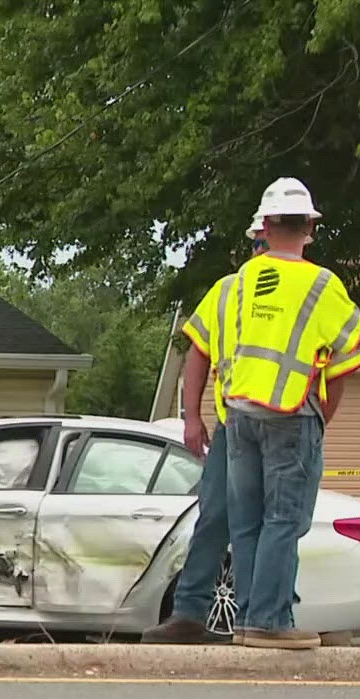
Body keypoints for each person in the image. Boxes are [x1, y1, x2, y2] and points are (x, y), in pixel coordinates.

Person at [220, 177, 360, 649]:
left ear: (262, 227)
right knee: (284, 521)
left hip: (240, 412)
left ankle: (249, 619)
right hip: (292, 414)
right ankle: (270, 622)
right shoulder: (322, 285)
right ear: (309, 227)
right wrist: (323, 413)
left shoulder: (241, 280)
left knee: (247, 523)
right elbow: (348, 355)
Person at [143, 214, 269, 644]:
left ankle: (259, 618)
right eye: (258, 245)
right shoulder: (230, 291)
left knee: (270, 523)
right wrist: (192, 417)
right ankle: (191, 613)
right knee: (216, 517)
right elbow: (199, 351)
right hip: (236, 426)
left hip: (282, 428)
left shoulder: (307, 289)